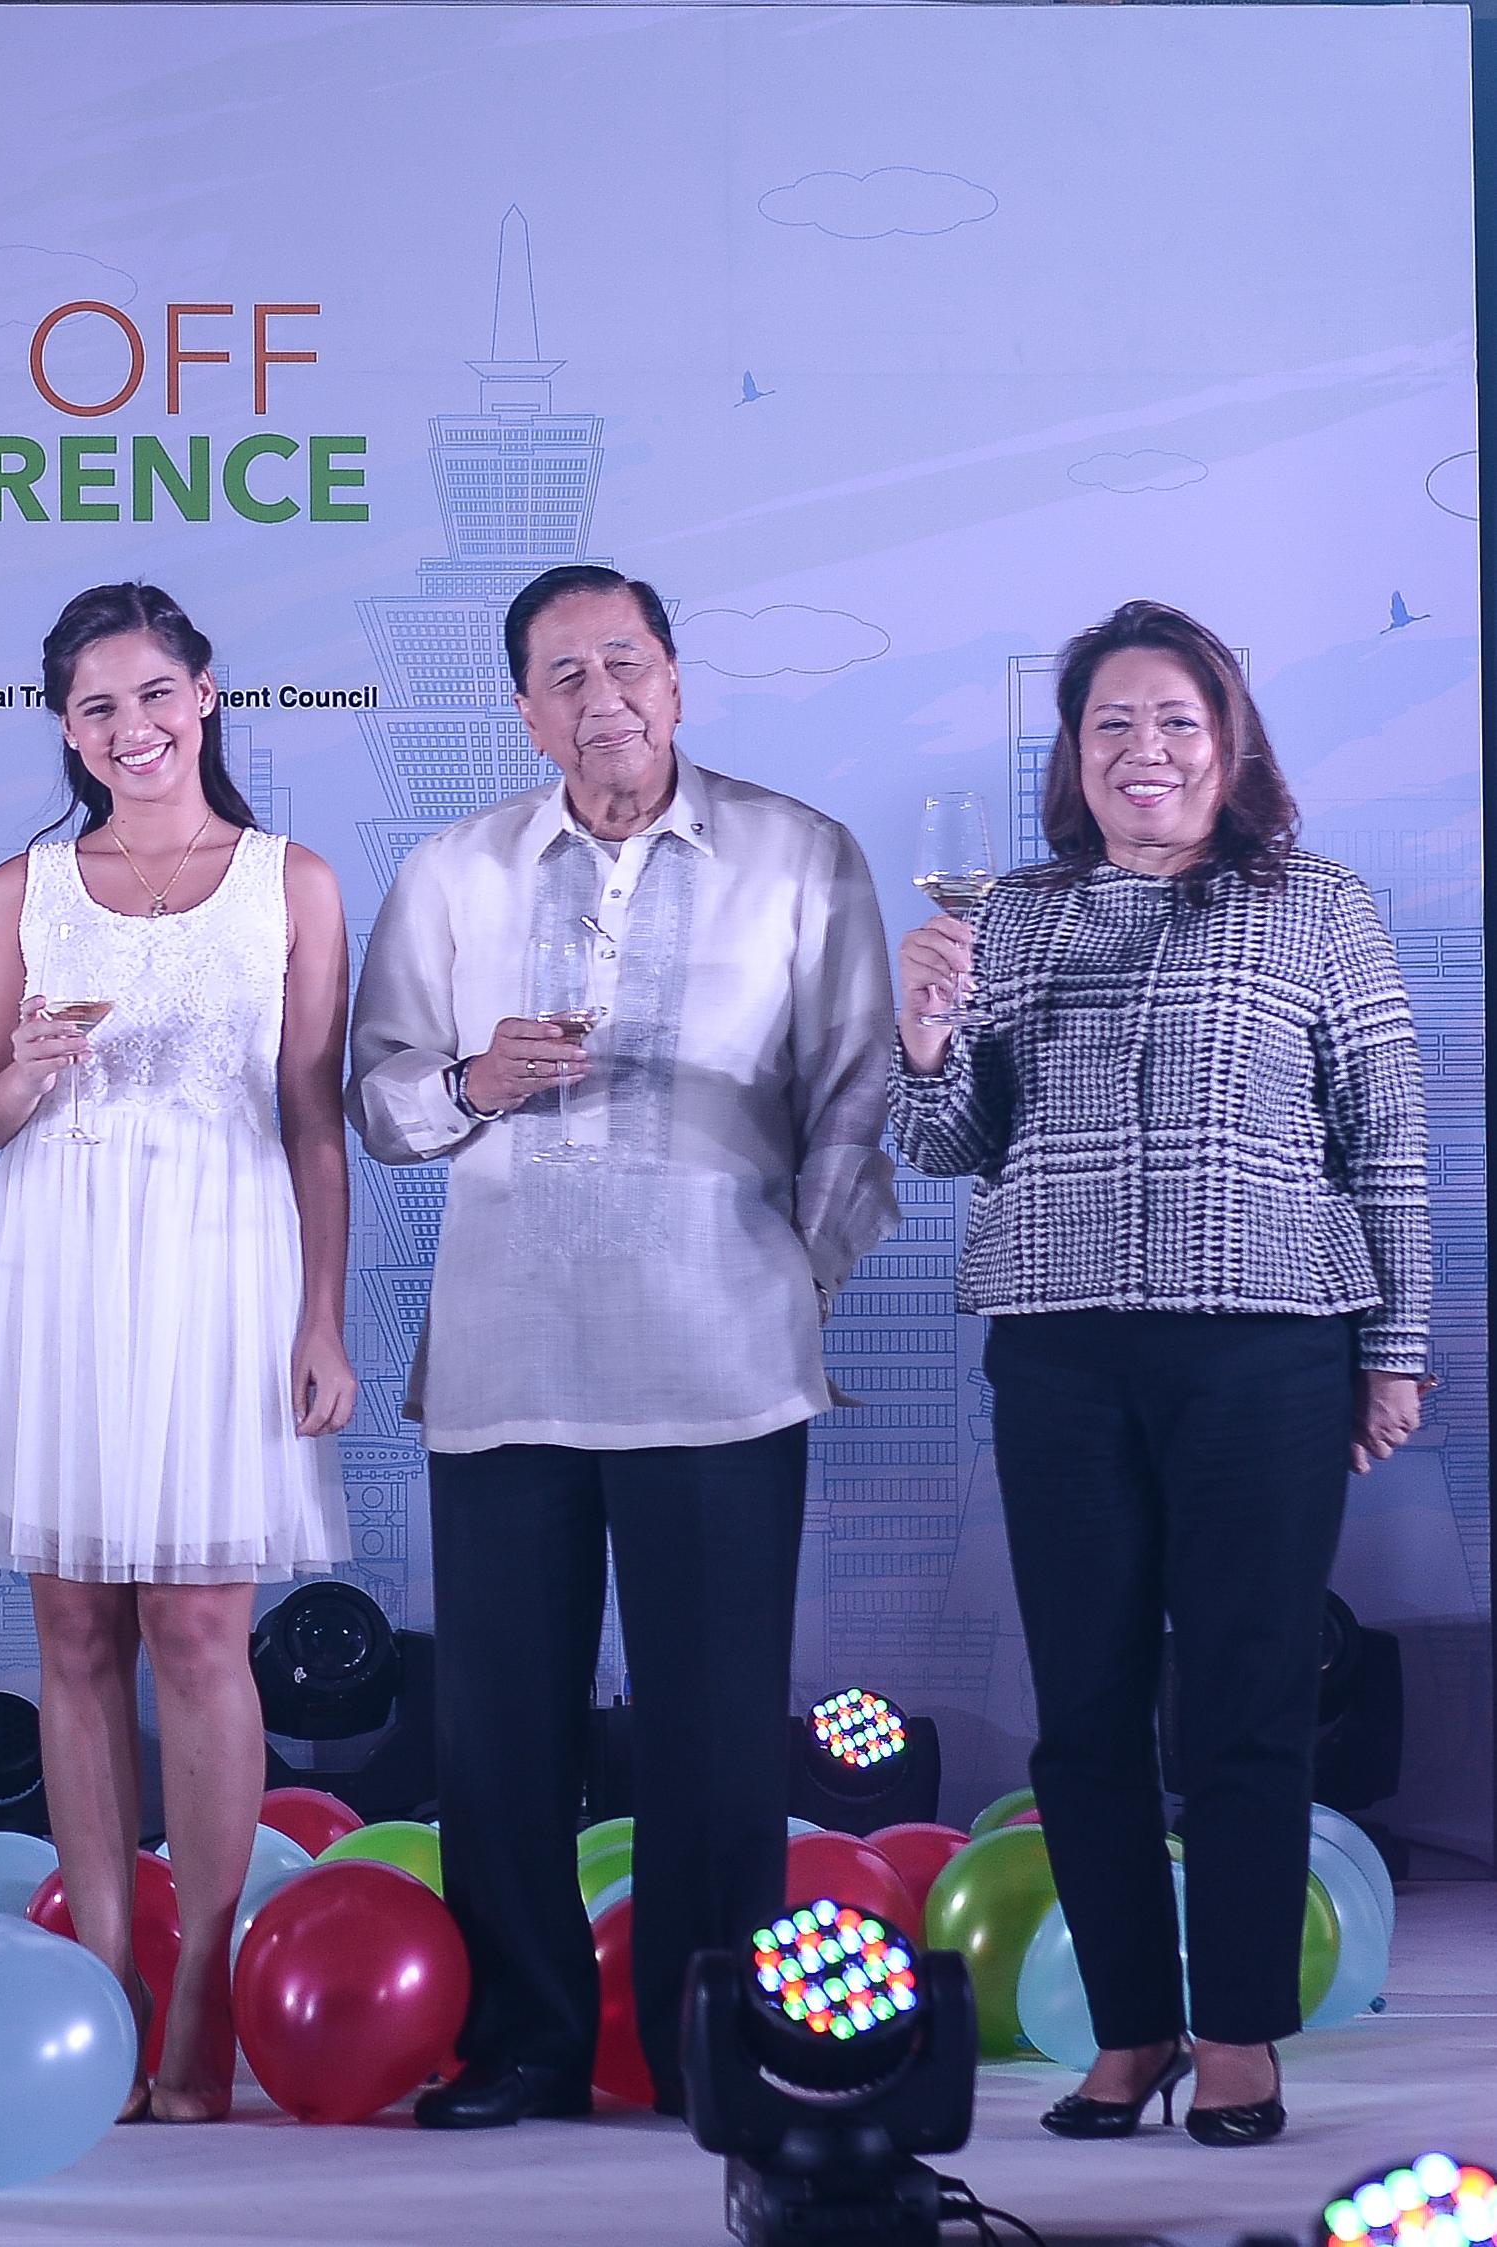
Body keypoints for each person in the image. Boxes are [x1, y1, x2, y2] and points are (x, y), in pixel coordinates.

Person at [347, 562, 897, 2124]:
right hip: (508, 1364)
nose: (607, 701)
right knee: (500, 1735)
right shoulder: (453, 872)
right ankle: (523, 2041)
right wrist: (473, 1083)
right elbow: (377, 1097)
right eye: (567, 678)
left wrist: (793, 1276)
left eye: (628, 664)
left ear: (678, 679)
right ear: (524, 711)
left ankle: (708, 2043)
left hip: (721, 1360)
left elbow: (861, 1087)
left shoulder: (799, 855)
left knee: (718, 1744)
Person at [894, 600, 1429, 2148]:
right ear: (1073, 755)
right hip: (1060, 1349)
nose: (1147, 749)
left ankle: (1240, 2029)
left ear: (1229, 742)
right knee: (1086, 1706)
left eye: (1177, 722)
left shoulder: (1320, 908)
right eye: (1113, 724)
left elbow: (1384, 1137)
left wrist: (1393, 1351)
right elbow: (950, 1150)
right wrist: (925, 1040)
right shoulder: (1019, 916)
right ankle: (1129, 2032)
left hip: (1267, 1341)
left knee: (1252, 1702)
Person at [0, 582, 351, 2119]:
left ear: (209, 694)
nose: (133, 727)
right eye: (98, 706)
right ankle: (104, 1976)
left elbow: (314, 1117)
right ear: (66, 727)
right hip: (60, 1262)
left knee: (198, 1628)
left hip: (224, 1264)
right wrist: (27, 1075)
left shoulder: (289, 883)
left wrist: (320, 1316)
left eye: (155, 694)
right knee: (75, 1636)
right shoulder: (21, 890)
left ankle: (205, 1986)